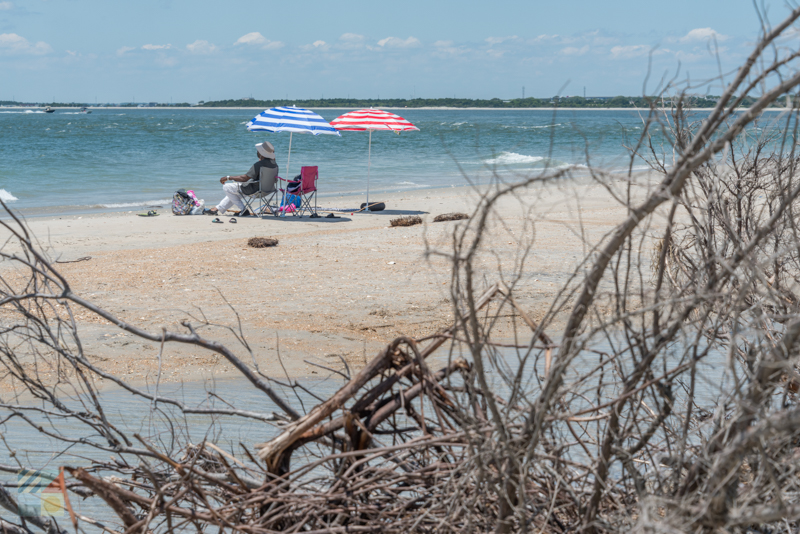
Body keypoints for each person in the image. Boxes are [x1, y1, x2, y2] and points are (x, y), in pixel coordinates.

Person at [206, 141, 279, 216]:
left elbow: (244, 178)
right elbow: (275, 179)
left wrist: (228, 177)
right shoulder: (275, 165)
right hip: (267, 190)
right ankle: (217, 208)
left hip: (254, 190)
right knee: (234, 193)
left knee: (226, 187)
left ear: (261, 153)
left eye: (258, 151)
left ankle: (243, 210)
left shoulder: (259, 164)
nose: (257, 152)